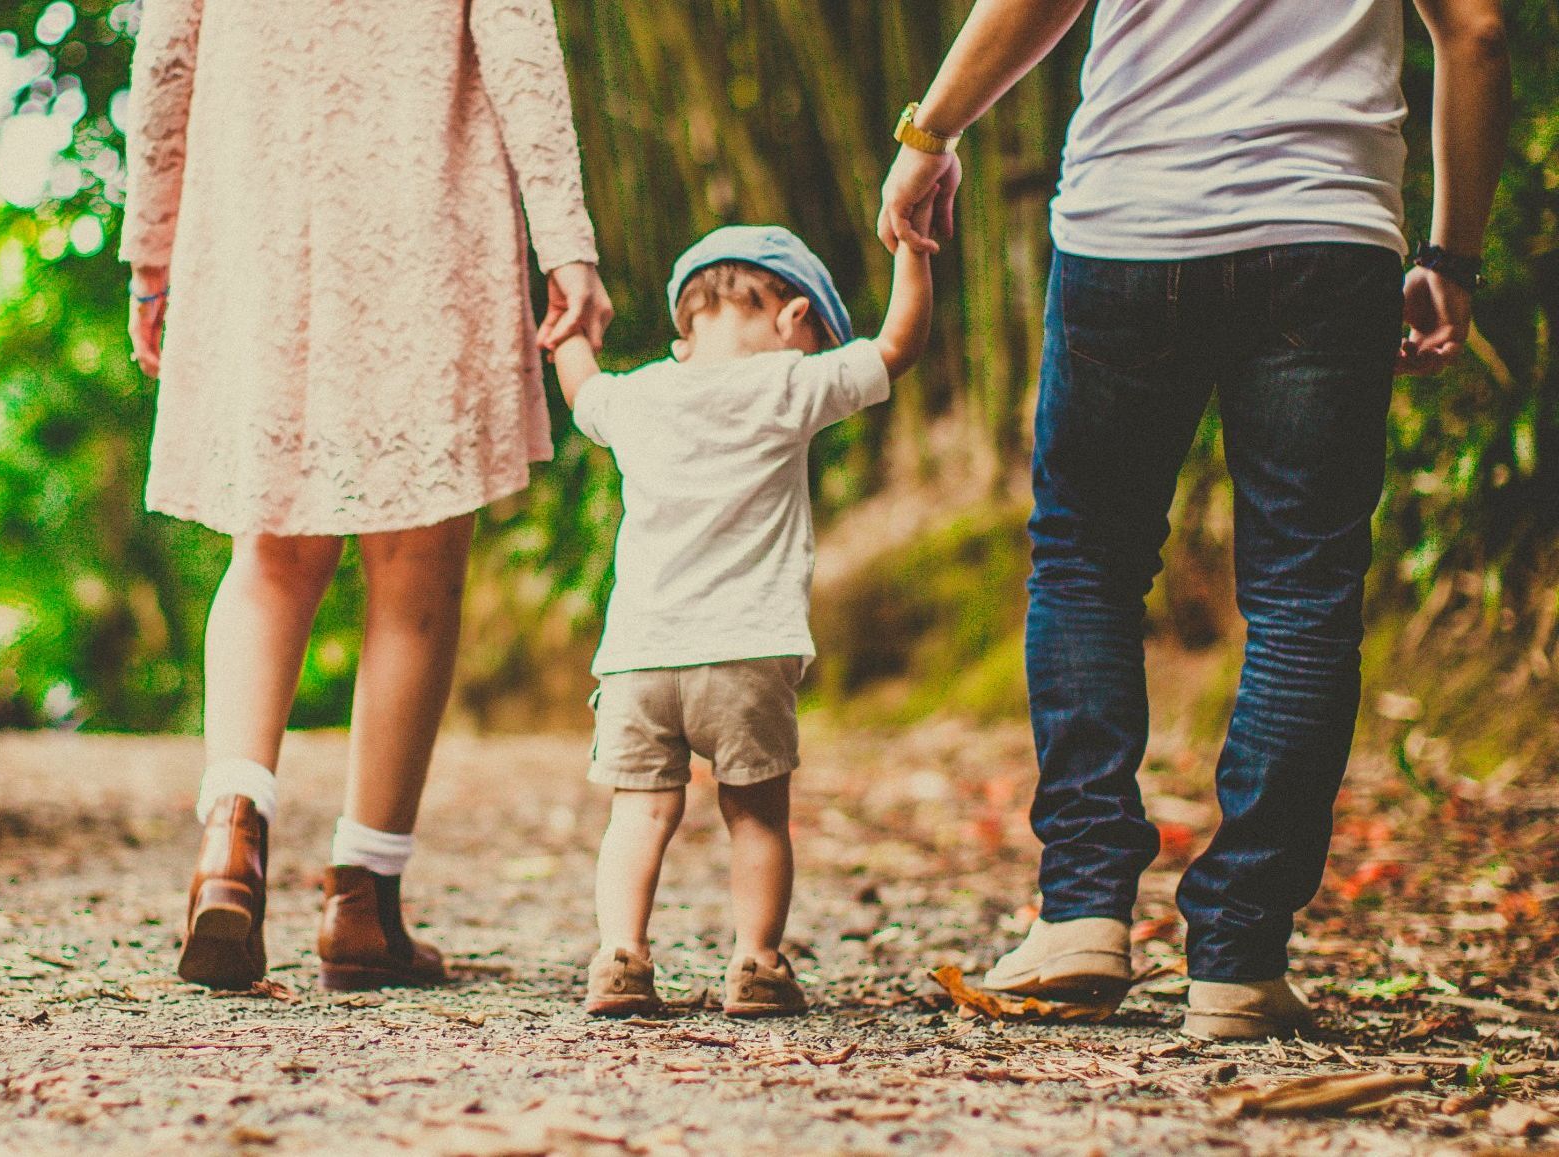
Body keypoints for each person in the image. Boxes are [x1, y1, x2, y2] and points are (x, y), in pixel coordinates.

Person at [877, 0, 1509, 1038]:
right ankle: (1241, 956)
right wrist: (1453, 255)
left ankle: (1082, 905)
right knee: (1306, 593)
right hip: (1327, 226)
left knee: (1088, 558)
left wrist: (930, 132)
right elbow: (1477, 30)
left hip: (1134, 219)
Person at [120, 0, 613, 991]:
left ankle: (230, 842)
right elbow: (518, 34)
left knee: (270, 550)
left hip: (260, 206)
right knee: (418, 561)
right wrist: (567, 241)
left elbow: (168, 50)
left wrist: (153, 246)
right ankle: (363, 898)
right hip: (423, 208)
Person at [551, 225, 933, 1018]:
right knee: (756, 814)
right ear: (794, 319)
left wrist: (573, 327)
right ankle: (756, 962)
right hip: (748, 651)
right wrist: (914, 250)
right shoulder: (787, 385)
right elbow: (899, 343)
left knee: (640, 812)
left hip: (639, 658)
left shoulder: (638, 395)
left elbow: (581, 384)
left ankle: (620, 955)